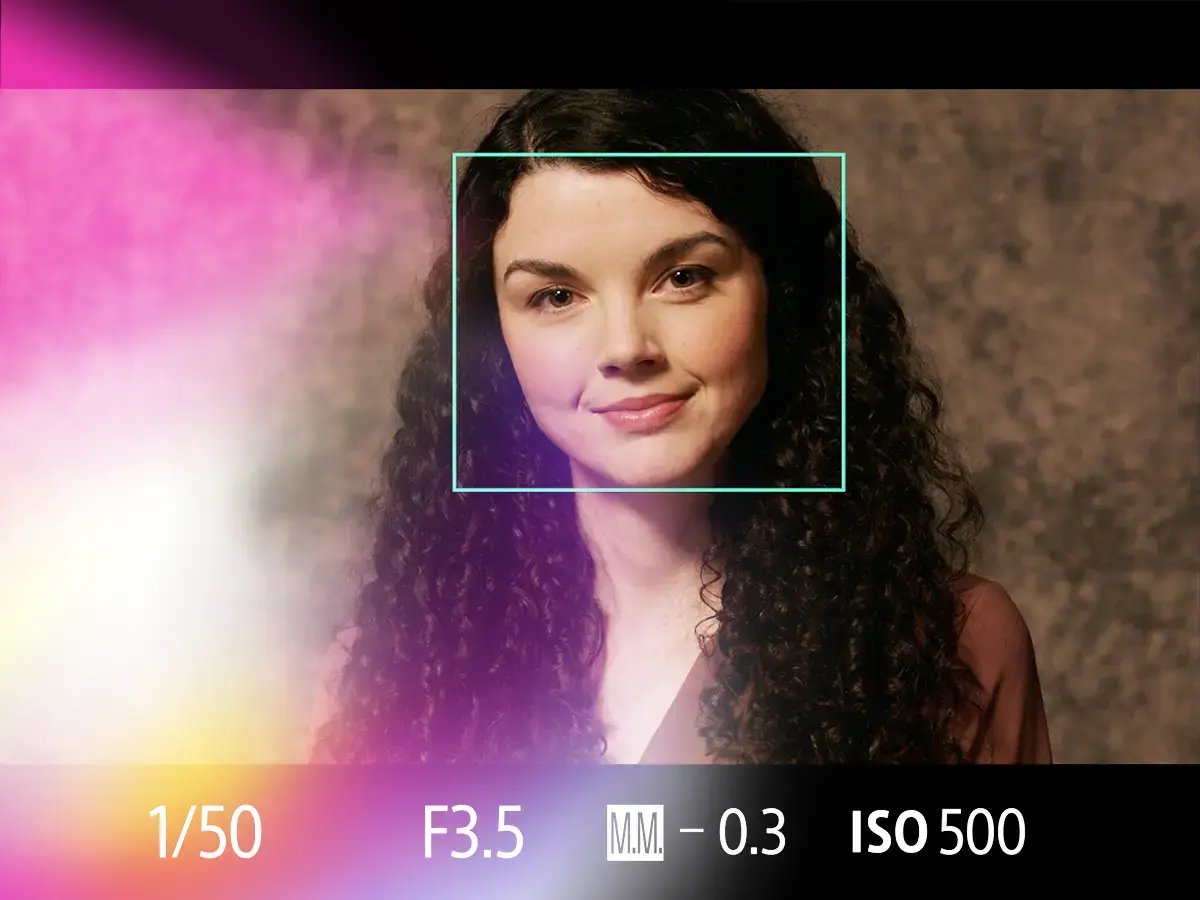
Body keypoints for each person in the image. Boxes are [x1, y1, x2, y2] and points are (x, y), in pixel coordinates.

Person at [308, 89, 1053, 765]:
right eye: (557, 295)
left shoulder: (948, 644)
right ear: (495, 340)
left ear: (780, 295)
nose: (627, 347)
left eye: (685, 277)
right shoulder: (386, 674)